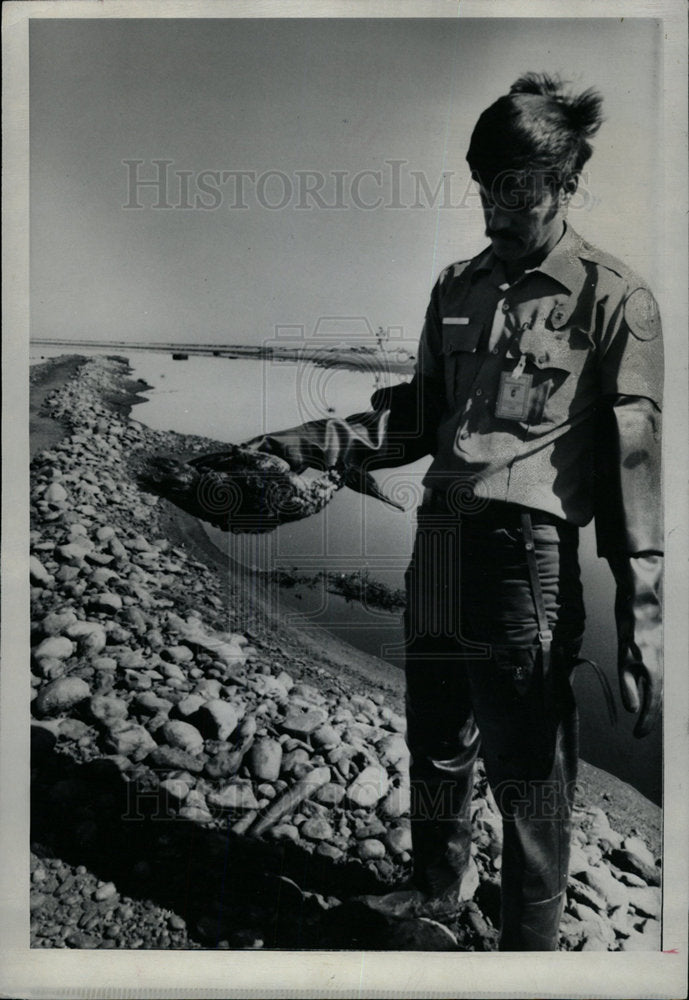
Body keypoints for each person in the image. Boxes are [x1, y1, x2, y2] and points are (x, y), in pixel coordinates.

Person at [244, 73, 663, 950]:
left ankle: (527, 951)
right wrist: (311, 442)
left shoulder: (614, 299)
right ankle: (437, 890)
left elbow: (633, 465)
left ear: (562, 184)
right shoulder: (457, 287)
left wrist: (641, 618)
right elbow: (418, 413)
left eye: (513, 191)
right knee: (434, 741)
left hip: (526, 563)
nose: (492, 209)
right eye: (482, 187)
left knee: (529, 781)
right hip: (437, 541)